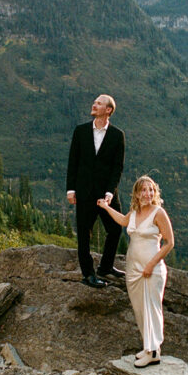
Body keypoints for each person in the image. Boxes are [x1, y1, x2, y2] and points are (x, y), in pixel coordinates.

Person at [97, 175, 174, 367]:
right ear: (137, 194)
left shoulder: (159, 213)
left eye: (151, 190)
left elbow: (169, 243)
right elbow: (123, 221)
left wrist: (151, 265)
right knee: (139, 309)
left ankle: (155, 350)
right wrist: (106, 207)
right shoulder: (134, 213)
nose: (148, 194)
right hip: (133, 268)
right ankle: (148, 348)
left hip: (151, 268)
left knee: (152, 308)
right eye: (144, 190)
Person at [66, 94, 126, 288]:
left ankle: (106, 267)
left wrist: (110, 192)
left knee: (116, 228)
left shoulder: (118, 135)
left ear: (108, 110)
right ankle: (88, 275)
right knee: (84, 235)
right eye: (94, 102)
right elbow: (73, 161)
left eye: (98, 103)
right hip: (84, 192)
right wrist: (70, 189)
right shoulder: (80, 131)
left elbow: (117, 167)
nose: (94, 104)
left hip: (107, 194)